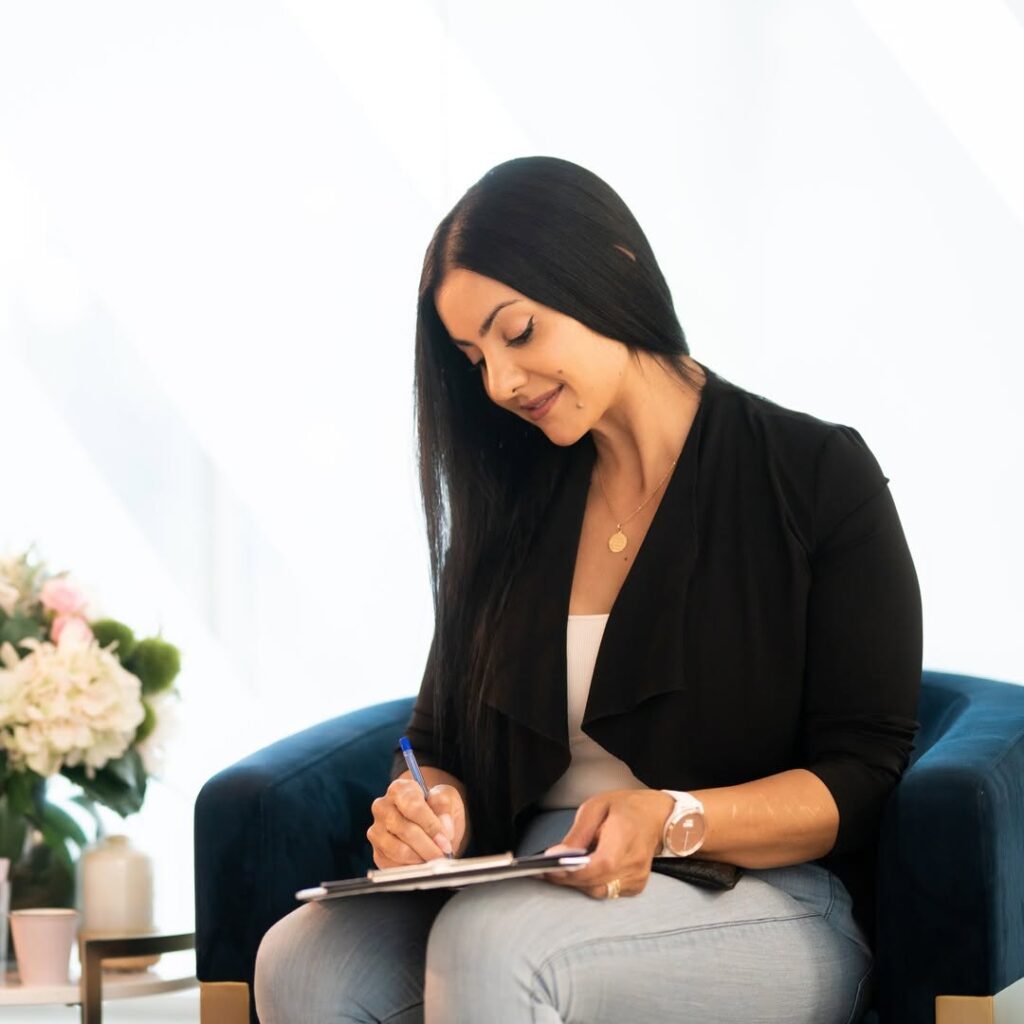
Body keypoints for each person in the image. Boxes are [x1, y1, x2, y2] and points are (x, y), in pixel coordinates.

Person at [254, 155, 922, 1023]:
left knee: (493, 946)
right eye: (474, 358)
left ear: (613, 267)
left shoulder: (813, 473)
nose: (500, 383)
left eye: (518, 332)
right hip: (530, 877)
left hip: (756, 890)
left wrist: (673, 815)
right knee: (302, 962)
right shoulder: (513, 502)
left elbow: (863, 772)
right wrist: (435, 809)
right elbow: (437, 736)